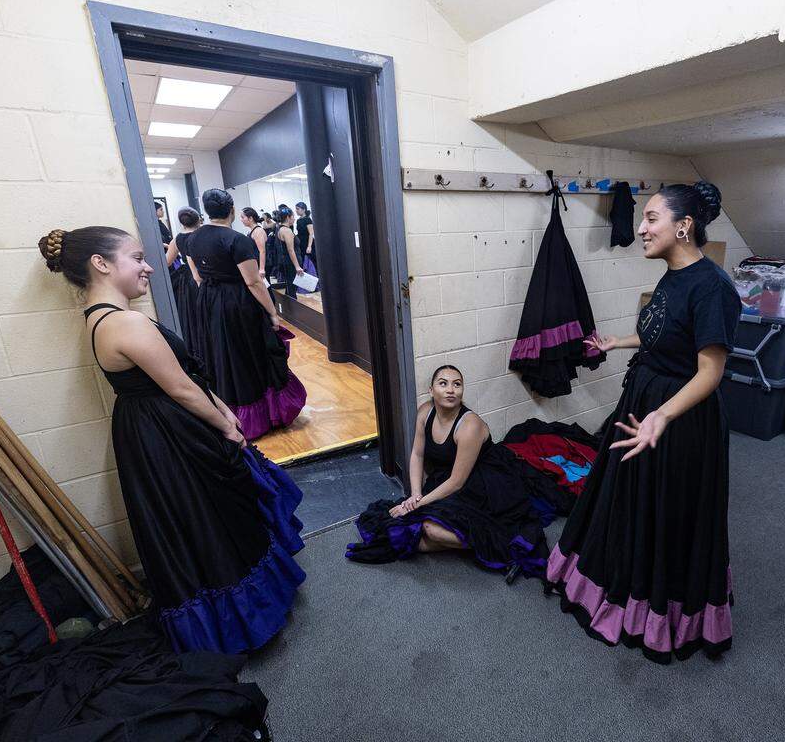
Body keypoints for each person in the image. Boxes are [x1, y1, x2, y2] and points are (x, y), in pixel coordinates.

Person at [37, 225, 305, 653]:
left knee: (195, 522)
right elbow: (180, 387)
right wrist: (227, 426)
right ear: (101, 264)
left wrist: (222, 410)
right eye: (137, 258)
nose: (148, 267)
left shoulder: (100, 319)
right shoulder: (123, 322)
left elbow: (184, 380)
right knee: (207, 520)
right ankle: (240, 618)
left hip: (151, 429)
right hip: (167, 431)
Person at [544, 181, 740, 665]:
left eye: (651, 218)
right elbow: (667, 333)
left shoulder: (713, 288)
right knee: (629, 502)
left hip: (679, 420)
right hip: (646, 406)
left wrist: (661, 415)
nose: (641, 228)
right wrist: (620, 342)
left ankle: (657, 610)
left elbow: (709, 372)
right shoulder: (674, 275)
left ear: (684, 226)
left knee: (664, 511)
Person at [345, 365, 549, 579]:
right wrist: (415, 495)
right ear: (431, 390)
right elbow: (417, 454)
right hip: (449, 477)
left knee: (430, 529)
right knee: (413, 524)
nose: (451, 389)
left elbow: (457, 482)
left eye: (457, 384)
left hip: (485, 483)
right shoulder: (425, 412)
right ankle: (438, 541)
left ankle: (495, 544)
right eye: (443, 383)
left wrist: (416, 505)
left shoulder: (470, 425)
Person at [191, 189, 307, 439]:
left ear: (207, 211)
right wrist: (272, 313)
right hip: (237, 303)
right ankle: (259, 415)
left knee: (221, 353)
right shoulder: (236, 239)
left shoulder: (193, 238)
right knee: (249, 354)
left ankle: (227, 413)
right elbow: (253, 282)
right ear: (232, 210)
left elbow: (198, 276)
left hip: (208, 301)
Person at [164, 207, 203, 359]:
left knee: (192, 314)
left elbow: (167, 262)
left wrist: (168, 248)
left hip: (188, 280)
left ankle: (197, 349)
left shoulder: (178, 239)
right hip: (206, 274)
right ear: (198, 220)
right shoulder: (203, 235)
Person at [274, 204, 304, 298]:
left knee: (290, 287)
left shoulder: (280, 229)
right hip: (290, 263)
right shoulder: (286, 231)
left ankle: (289, 306)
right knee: (292, 288)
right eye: (293, 217)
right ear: (288, 217)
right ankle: (292, 306)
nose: (294, 219)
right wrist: (297, 266)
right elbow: (291, 250)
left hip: (286, 262)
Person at [239, 207, 268, 281]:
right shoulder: (252, 231)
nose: (241, 220)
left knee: (263, 286)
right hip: (255, 263)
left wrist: (262, 269)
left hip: (260, 264)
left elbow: (262, 251)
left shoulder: (258, 231)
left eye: (243, 217)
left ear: (250, 218)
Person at [294, 202, 315, 280]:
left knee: (310, 263)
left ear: (304, 209)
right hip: (301, 244)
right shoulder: (298, 220)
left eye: (298, 209)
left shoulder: (308, 219)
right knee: (303, 262)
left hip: (307, 243)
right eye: (296, 209)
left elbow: (311, 233)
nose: (296, 211)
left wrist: (309, 246)